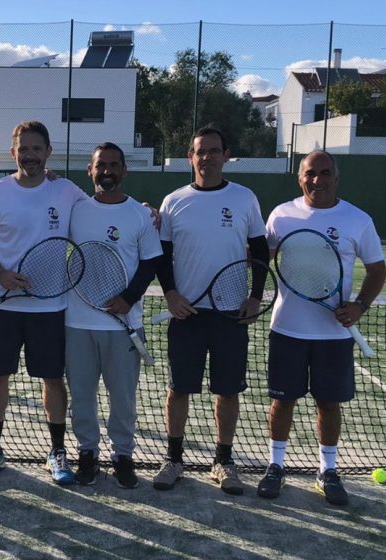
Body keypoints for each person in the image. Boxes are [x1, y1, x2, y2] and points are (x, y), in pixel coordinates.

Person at [257, 150, 386, 506]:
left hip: (333, 335)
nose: (318, 180)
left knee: (328, 404)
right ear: (300, 178)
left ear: (336, 177)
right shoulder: (281, 215)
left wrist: (359, 306)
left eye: (325, 173)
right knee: (282, 401)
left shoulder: (357, 220)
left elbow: (377, 271)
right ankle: (275, 465)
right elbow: (258, 260)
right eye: (310, 173)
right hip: (287, 329)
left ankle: (327, 470)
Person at [0, 120, 89, 485]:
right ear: (13, 152)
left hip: (51, 309)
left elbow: (102, 214)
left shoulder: (67, 191)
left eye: (37, 149)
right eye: (24, 149)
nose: (30, 156)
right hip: (3, 307)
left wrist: (143, 209)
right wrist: (0, 273)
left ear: (48, 153)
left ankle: (56, 452)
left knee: (53, 380)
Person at [153, 126, 269, 493]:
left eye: (214, 150)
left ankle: (223, 461)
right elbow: (163, 256)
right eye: (201, 151)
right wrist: (170, 294)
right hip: (186, 315)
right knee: (178, 390)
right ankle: (173, 459)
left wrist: (255, 297)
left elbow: (260, 250)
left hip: (230, 315)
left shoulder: (245, 198)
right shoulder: (174, 200)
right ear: (191, 157)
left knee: (228, 391)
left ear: (225, 155)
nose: (207, 157)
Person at [65, 142, 163, 488]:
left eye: (113, 165)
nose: (106, 171)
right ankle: (87, 453)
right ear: (90, 171)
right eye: (100, 165)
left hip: (124, 324)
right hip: (77, 322)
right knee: (81, 394)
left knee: (122, 397)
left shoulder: (139, 213)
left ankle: (123, 455)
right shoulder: (75, 209)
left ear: (124, 170)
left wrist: (129, 297)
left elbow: (152, 260)